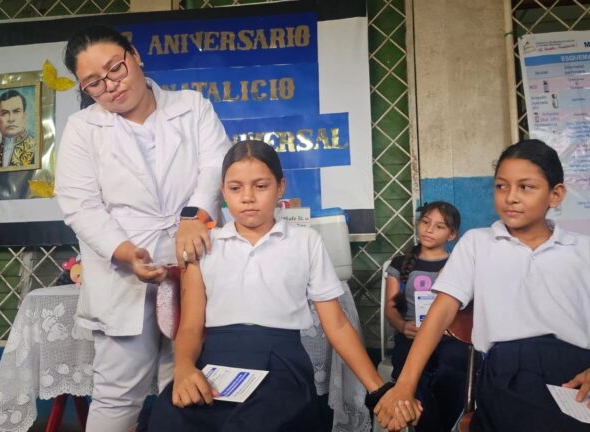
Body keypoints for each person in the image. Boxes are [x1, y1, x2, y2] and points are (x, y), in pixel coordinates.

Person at [375, 139, 590, 432]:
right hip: (509, 371)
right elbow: (439, 316)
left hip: (580, 372)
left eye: (525, 187)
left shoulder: (583, 249)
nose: (510, 197)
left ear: (556, 194)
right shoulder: (478, 243)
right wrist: (405, 386)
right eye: (501, 186)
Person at [148, 140, 403, 431]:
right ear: (222, 192)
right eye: (235, 188)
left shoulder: (305, 242)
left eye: (260, 186)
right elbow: (191, 327)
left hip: (283, 366)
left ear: (280, 188)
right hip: (216, 364)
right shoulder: (205, 246)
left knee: (257, 423)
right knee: (170, 417)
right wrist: (183, 369)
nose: (247, 197)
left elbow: (337, 325)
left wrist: (378, 390)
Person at [54, 25, 231, 432]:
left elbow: (215, 167)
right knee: (118, 393)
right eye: (94, 83)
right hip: (124, 274)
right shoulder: (83, 129)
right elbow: (80, 206)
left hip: (195, 263)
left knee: (191, 383)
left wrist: (193, 217)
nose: (110, 86)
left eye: (115, 69)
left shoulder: (192, 106)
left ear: (134, 55)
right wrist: (124, 251)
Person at [384, 200, 468, 432]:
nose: (429, 230)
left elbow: (469, 311)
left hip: (450, 339)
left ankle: (446, 425)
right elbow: (391, 309)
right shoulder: (399, 264)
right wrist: (402, 326)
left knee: (451, 372)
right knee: (414, 378)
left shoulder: (458, 264)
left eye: (439, 227)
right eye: (426, 222)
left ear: (452, 235)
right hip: (410, 337)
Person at [0, 89, 37, 168]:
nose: (11, 119)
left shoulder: (38, 149)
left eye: (16, 111)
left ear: (24, 117)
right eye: (4, 113)